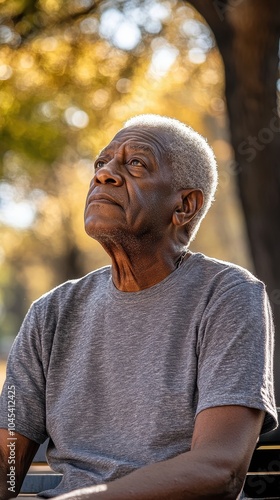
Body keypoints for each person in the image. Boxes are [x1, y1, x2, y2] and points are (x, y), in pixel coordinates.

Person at [0, 114, 277, 500]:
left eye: (135, 164)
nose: (104, 175)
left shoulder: (228, 295)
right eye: (101, 163)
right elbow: (7, 464)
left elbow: (219, 467)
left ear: (184, 206)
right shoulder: (51, 312)